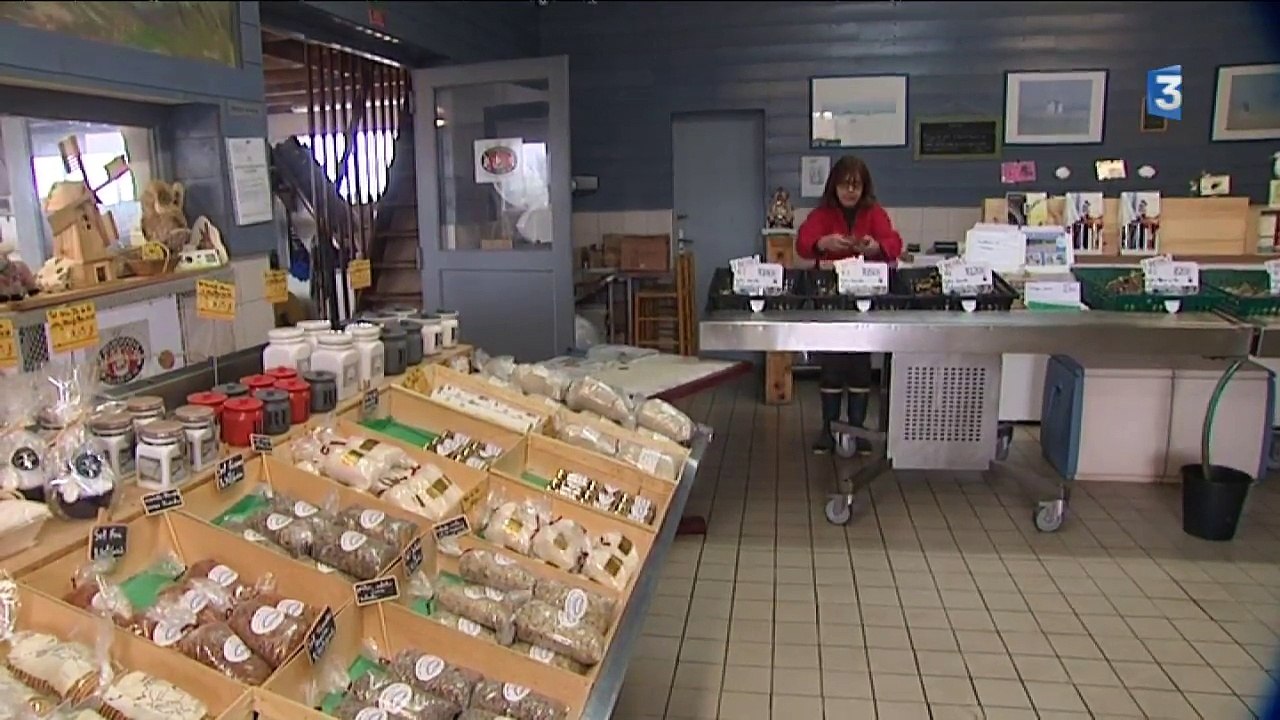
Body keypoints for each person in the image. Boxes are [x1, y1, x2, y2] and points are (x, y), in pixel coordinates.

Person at [795, 155, 905, 454]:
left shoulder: (875, 213)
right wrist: (822, 244)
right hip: (830, 296)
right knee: (831, 364)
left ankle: (857, 431)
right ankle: (828, 430)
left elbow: (895, 244)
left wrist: (876, 247)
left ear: (864, 187)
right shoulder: (822, 214)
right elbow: (802, 243)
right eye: (845, 185)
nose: (850, 192)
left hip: (864, 297)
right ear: (835, 186)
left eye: (856, 186)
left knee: (859, 365)